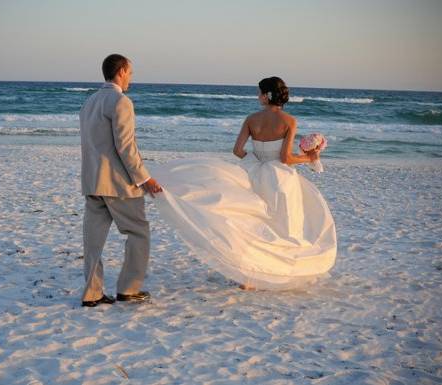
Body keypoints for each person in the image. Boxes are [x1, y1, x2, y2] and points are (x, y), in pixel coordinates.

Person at [151, 76, 337, 290]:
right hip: (280, 179)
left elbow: (237, 151)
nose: (258, 96)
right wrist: (309, 158)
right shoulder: (289, 121)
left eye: (259, 93)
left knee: (253, 223)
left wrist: (254, 160)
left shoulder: (251, 119)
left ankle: (249, 277)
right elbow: (285, 158)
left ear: (267, 95)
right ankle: (277, 273)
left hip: (252, 172)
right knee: (284, 226)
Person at [80, 54, 162, 307]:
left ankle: (92, 293)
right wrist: (144, 179)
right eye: (131, 73)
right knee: (139, 233)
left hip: (93, 181)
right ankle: (128, 288)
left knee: (93, 241)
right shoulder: (121, 101)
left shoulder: (90, 101)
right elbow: (126, 147)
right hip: (118, 184)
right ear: (122, 71)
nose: (131, 78)